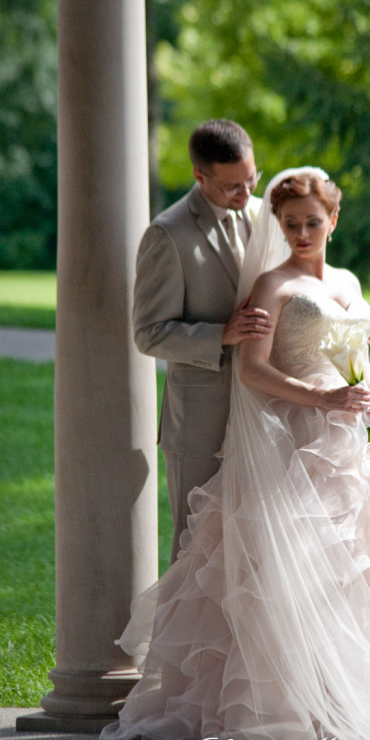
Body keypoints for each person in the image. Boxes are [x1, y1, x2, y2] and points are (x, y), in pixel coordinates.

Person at [102, 166, 370, 740]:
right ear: (279, 224)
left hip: (355, 438)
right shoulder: (272, 287)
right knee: (295, 570)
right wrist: (324, 398)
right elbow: (251, 371)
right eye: (291, 223)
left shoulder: (347, 280)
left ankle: (366, 694)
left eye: (313, 223)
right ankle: (294, 705)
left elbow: (357, 354)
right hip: (297, 441)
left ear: (334, 220)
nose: (302, 233)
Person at [133, 119, 272, 562]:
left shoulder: (260, 218)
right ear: (200, 177)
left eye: (252, 178)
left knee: (254, 547)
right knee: (196, 549)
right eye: (233, 186)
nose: (246, 194)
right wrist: (222, 335)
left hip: (261, 413)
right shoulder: (167, 234)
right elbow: (148, 332)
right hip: (198, 422)